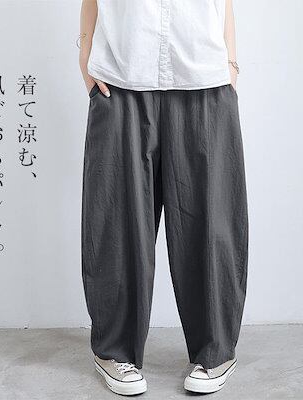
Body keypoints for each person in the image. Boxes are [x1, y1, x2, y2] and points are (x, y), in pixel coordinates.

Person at [79, 0, 248, 395]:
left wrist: (231, 64)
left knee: (211, 223)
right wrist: (85, 55)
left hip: (203, 77)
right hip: (122, 76)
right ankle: (114, 350)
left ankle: (216, 350)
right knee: (117, 223)